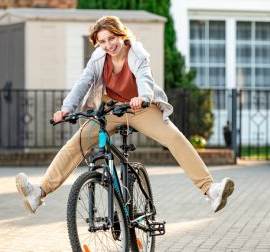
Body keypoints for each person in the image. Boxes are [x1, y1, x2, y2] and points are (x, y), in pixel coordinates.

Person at [15, 16, 234, 214]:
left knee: (174, 138)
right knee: (77, 143)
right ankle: (38, 193)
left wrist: (144, 97)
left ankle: (210, 190)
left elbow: (144, 77)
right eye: (102, 41)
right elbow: (84, 82)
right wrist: (66, 109)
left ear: (121, 34)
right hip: (111, 108)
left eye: (112, 38)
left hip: (140, 107)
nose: (109, 45)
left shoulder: (137, 53)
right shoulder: (99, 57)